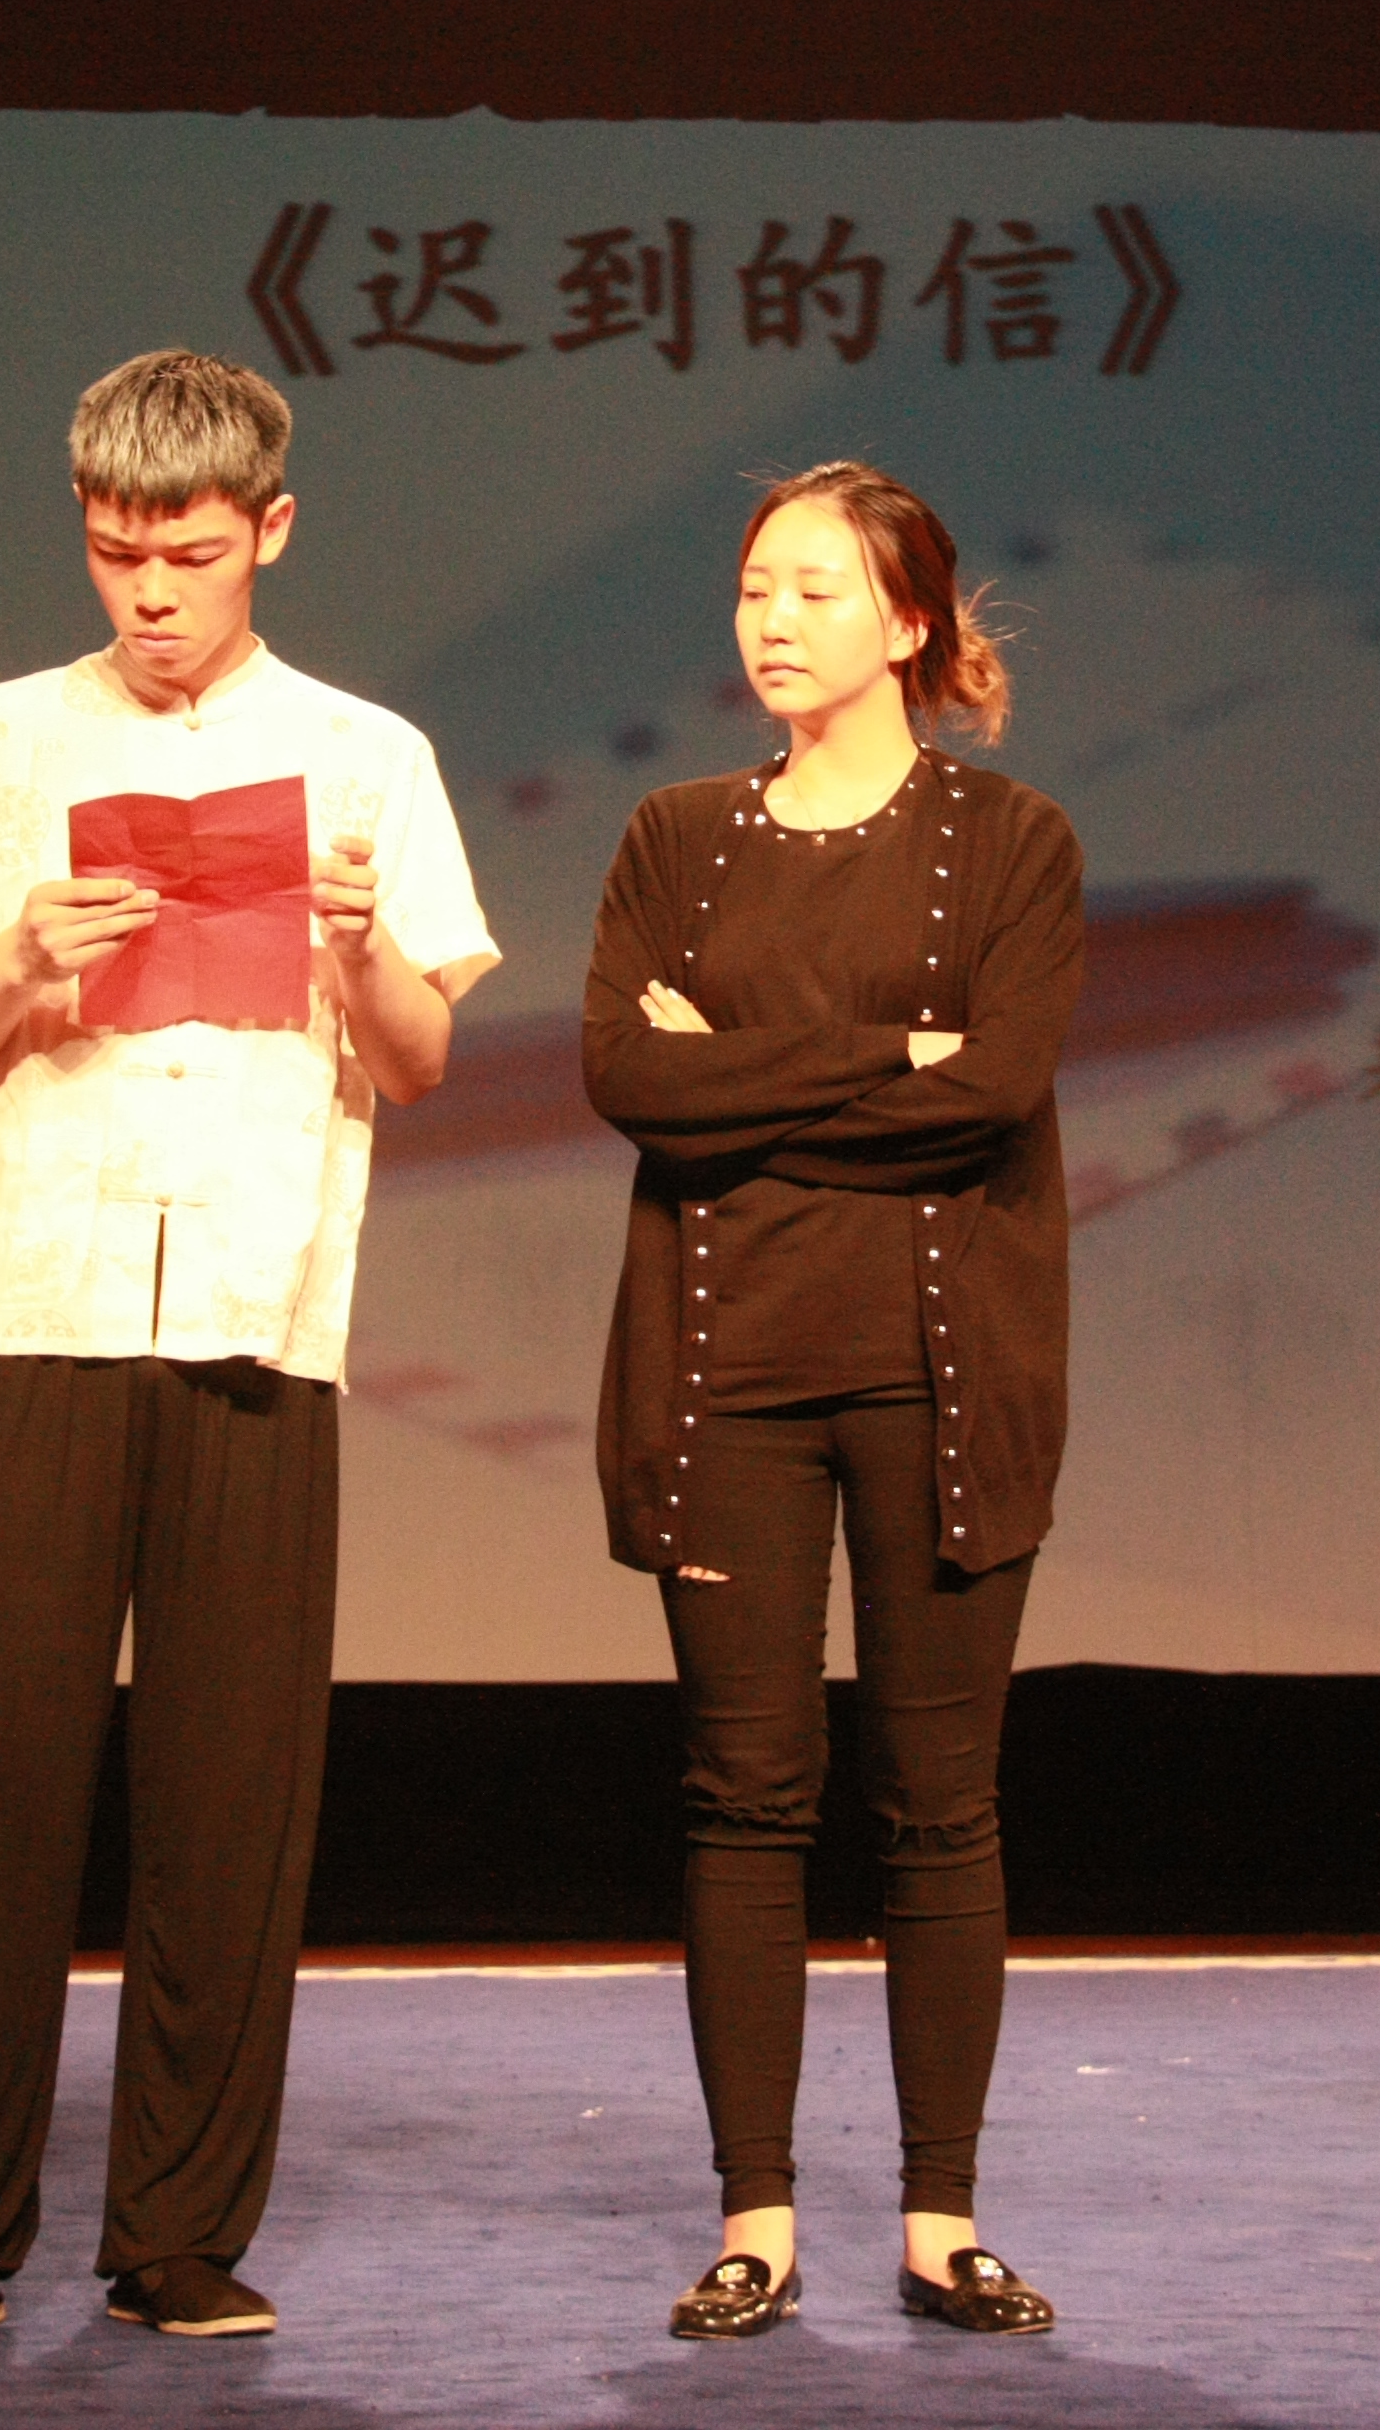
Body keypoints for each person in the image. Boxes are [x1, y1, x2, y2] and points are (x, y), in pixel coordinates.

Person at [0, 348, 496, 2350]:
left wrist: (356, 943)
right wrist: (22, 959)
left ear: (269, 529)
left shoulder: (367, 752)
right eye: (119, 553)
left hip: (264, 1308)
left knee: (228, 1785)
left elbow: (421, 1057)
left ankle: (180, 2230)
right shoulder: (3, 739)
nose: (152, 592)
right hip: (44, 1297)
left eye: (190, 554)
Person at [581, 459, 1086, 2343]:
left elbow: (993, 1088)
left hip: (948, 1379)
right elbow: (628, 1076)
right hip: (728, 1379)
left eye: (812, 589)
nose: (771, 621)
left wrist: (746, 1073)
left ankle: (942, 2218)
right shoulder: (676, 836)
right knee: (744, 1797)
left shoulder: (1011, 840)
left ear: (908, 622)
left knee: (940, 1807)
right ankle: (758, 2217)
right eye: (753, 588)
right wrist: (891, 1051)